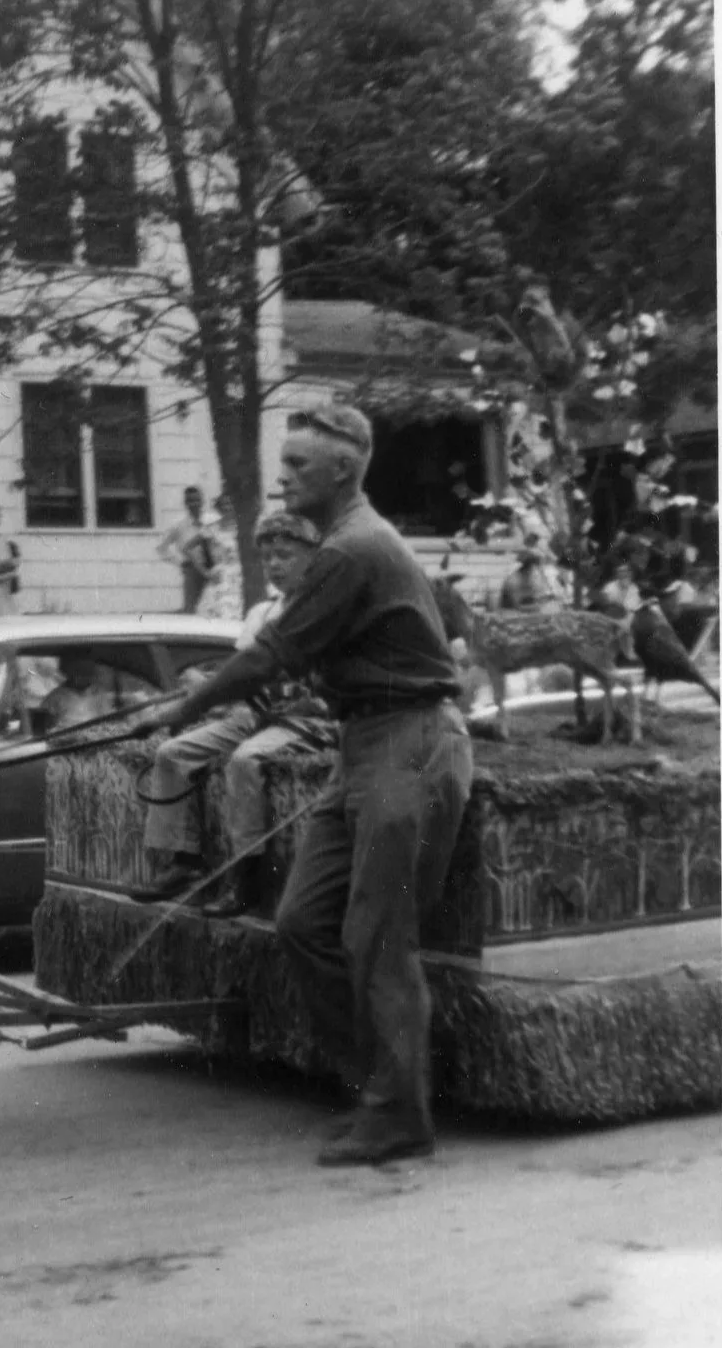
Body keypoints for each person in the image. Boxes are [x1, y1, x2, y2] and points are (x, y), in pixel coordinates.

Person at [134, 402, 472, 1167]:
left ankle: (400, 1114)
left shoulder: (353, 550)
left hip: (409, 744)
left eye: (296, 466)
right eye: (282, 463)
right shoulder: (343, 547)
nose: (281, 478)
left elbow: (269, 656)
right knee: (301, 922)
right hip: (362, 745)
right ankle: (378, 1084)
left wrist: (180, 707)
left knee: (378, 936)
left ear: (344, 470)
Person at [141, 511, 331, 909]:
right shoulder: (260, 613)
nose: (275, 565)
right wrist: (206, 684)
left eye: (286, 555)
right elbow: (242, 672)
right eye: (267, 558)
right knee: (170, 754)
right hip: (255, 714)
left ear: (313, 558)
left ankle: (247, 875)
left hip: (307, 718)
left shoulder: (324, 609)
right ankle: (183, 860)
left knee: (245, 761)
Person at [157, 485, 213, 613]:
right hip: (192, 569)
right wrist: (180, 562)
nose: (194, 504)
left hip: (213, 568)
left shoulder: (211, 520)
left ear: (202, 501)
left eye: (197, 500)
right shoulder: (179, 525)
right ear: (185, 503)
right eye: (191, 500)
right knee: (191, 608)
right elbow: (161, 548)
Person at [198, 493, 244, 621]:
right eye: (224, 504)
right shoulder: (211, 528)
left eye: (230, 504)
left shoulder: (243, 527)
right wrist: (205, 572)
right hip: (221, 574)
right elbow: (191, 548)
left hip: (240, 574)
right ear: (218, 507)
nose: (227, 507)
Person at [37, 653, 110, 733]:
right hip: (66, 742)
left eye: (89, 671)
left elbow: (108, 722)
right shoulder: (54, 698)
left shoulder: (99, 694)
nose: (86, 676)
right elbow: (43, 728)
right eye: (81, 671)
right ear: (69, 672)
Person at [499, 541, 559, 612]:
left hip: (524, 613)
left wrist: (546, 599)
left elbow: (534, 597)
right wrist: (540, 604)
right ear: (530, 568)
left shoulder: (530, 578)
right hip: (510, 614)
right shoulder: (513, 581)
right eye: (536, 568)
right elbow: (518, 606)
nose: (539, 571)